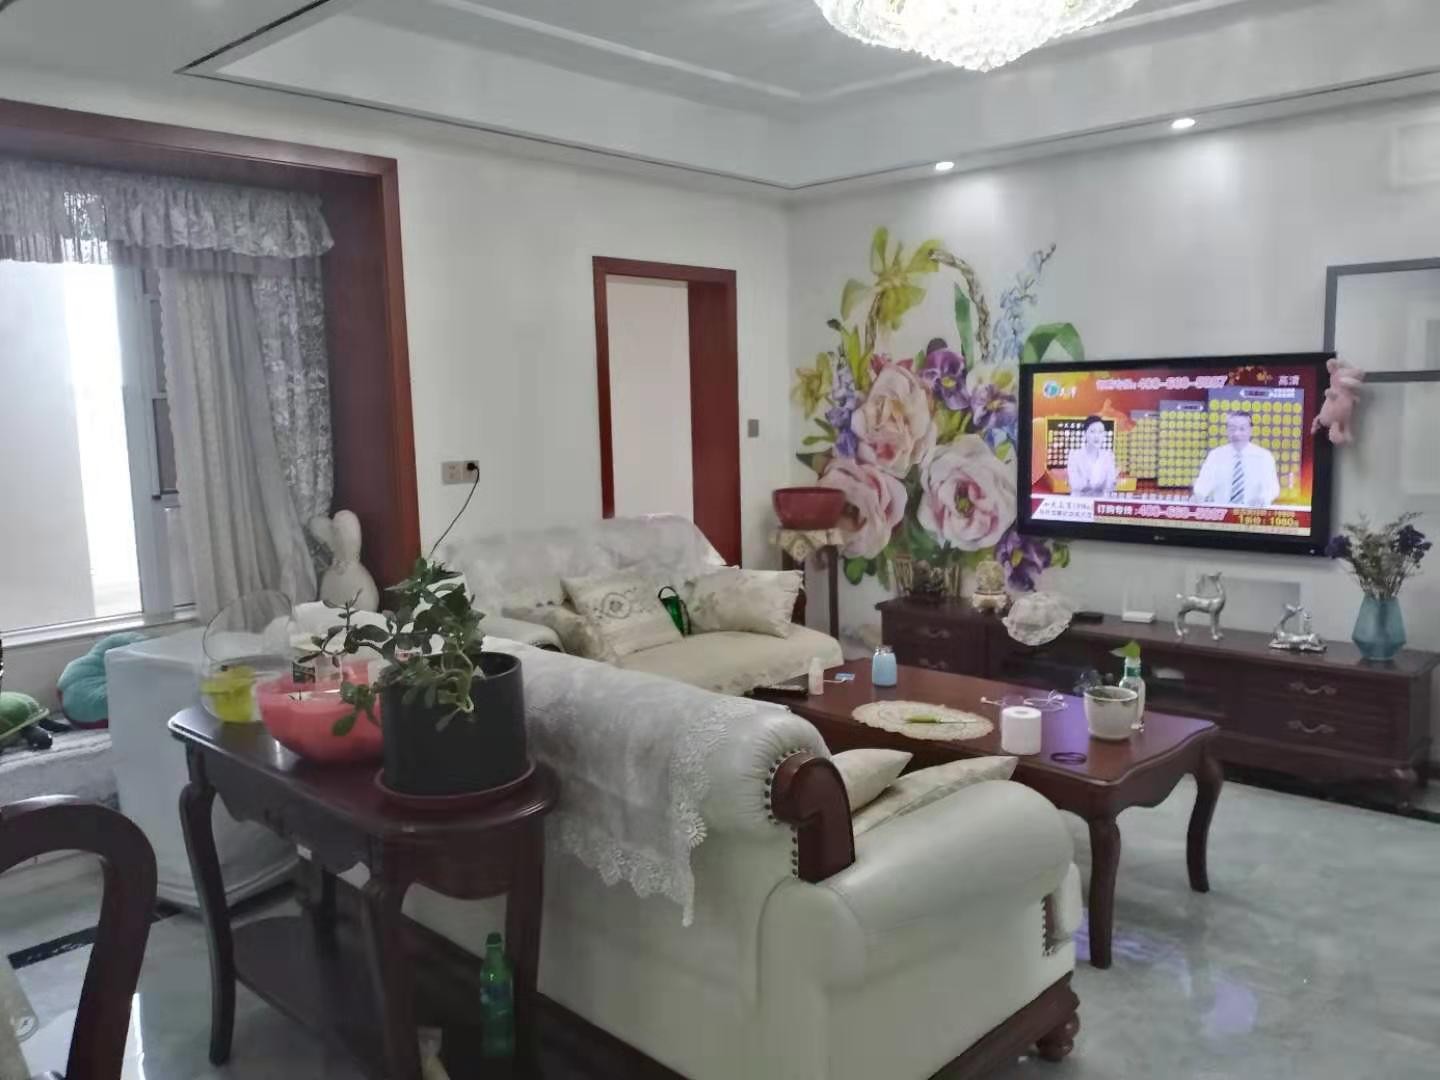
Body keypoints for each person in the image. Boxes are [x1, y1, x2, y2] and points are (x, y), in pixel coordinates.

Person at [1192, 411, 1280, 507]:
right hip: (1224, 512)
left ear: (1250, 430)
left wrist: (1262, 498)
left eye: (1242, 429)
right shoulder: (1216, 455)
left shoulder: (1264, 457)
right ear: (1226, 430)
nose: (1236, 433)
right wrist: (1199, 495)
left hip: (1254, 512)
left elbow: (1272, 487)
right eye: (1232, 429)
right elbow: (1204, 481)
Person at [1066, 416, 1117, 496]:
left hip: (1100, 500)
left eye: (1100, 432)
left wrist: (1110, 483)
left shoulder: (1108, 456)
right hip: (1080, 501)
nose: (1097, 436)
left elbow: (1110, 484)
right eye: (1092, 432)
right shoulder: (1075, 455)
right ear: (1085, 434)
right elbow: (1075, 484)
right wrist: (1099, 486)